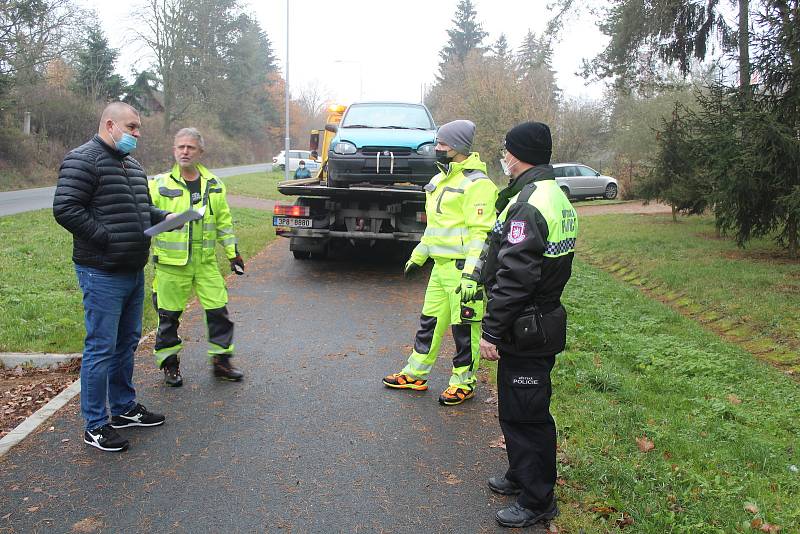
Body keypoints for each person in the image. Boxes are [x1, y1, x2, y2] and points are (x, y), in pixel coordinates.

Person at [476, 122, 578, 527]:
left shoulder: (530, 203)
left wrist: (491, 331)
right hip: (538, 320)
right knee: (518, 405)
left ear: (519, 154)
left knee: (527, 415)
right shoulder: (552, 194)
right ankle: (521, 474)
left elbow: (515, 277)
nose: (504, 156)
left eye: (507, 150)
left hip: (528, 324)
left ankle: (538, 499)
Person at [53, 102, 168, 453]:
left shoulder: (132, 165)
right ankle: (95, 424)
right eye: (132, 127)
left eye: (138, 128)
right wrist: (106, 238)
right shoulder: (83, 159)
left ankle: (123, 408)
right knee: (101, 348)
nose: (137, 134)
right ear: (110, 124)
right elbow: (66, 209)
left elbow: (141, 210)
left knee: (126, 342)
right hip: (101, 270)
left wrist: (170, 217)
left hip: (132, 268)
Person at [383, 120, 498, 405]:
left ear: (458, 147)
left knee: (464, 330)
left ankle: (464, 382)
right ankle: (416, 373)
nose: (437, 149)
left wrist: (473, 275)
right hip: (440, 268)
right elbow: (434, 229)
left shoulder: (478, 185)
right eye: (437, 143)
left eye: (442, 144)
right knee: (429, 323)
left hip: (463, 272)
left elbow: (481, 234)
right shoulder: (438, 181)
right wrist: (418, 255)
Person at [148, 127, 244, 387]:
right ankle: (170, 365)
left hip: (205, 264)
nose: (185, 151)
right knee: (168, 318)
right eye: (180, 147)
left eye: (190, 147)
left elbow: (224, 222)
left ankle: (221, 362)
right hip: (171, 265)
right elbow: (144, 215)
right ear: (174, 150)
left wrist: (233, 253)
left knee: (218, 311)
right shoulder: (159, 184)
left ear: (200, 151)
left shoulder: (214, 185)